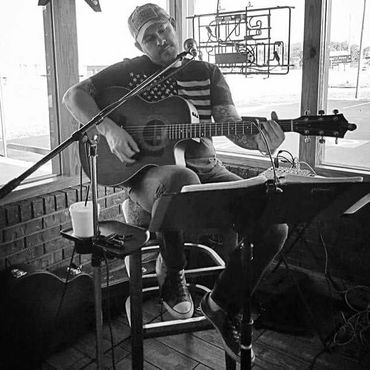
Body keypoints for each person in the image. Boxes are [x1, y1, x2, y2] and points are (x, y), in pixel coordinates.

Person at [63, 3, 288, 361]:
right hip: (147, 173)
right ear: (139, 47)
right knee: (182, 178)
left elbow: (232, 123)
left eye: (162, 29)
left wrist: (261, 141)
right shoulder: (129, 72)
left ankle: (221, 303)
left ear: (173, 25)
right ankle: (174, 274)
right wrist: (111, 131)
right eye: (148, 38)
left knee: (274, 223)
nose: (159, 39)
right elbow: (72, 96)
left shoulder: (208, 72)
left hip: (208, 167)